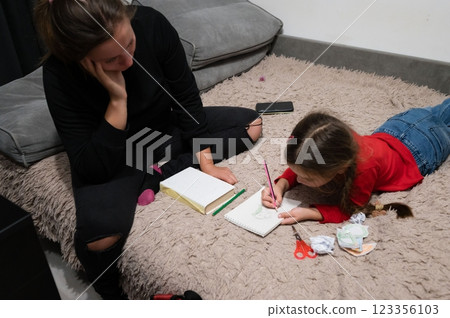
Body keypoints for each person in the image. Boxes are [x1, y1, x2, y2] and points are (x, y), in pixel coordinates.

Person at [34, 0, 262, 299]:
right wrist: (117, 101)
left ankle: (160, 172)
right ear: (82, 59)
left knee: (251, 124)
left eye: (129, 43)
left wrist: (206, 162)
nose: (128, 61)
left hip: (164, 129)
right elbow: (91, 166)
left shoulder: (152, 24)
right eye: (111, 60)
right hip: (116, 152)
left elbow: (186, 99)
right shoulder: (58, 74)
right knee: (99, 240)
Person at [262, 99, 449, 224]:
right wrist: (282, 184)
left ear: (340, 168)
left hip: (423, 149)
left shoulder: (363, 170)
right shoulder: (335, 137)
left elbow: (351, 209)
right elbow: (302, 165)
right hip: (402, 124)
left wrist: (311, 213)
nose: (300, 180)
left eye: (307, 178)